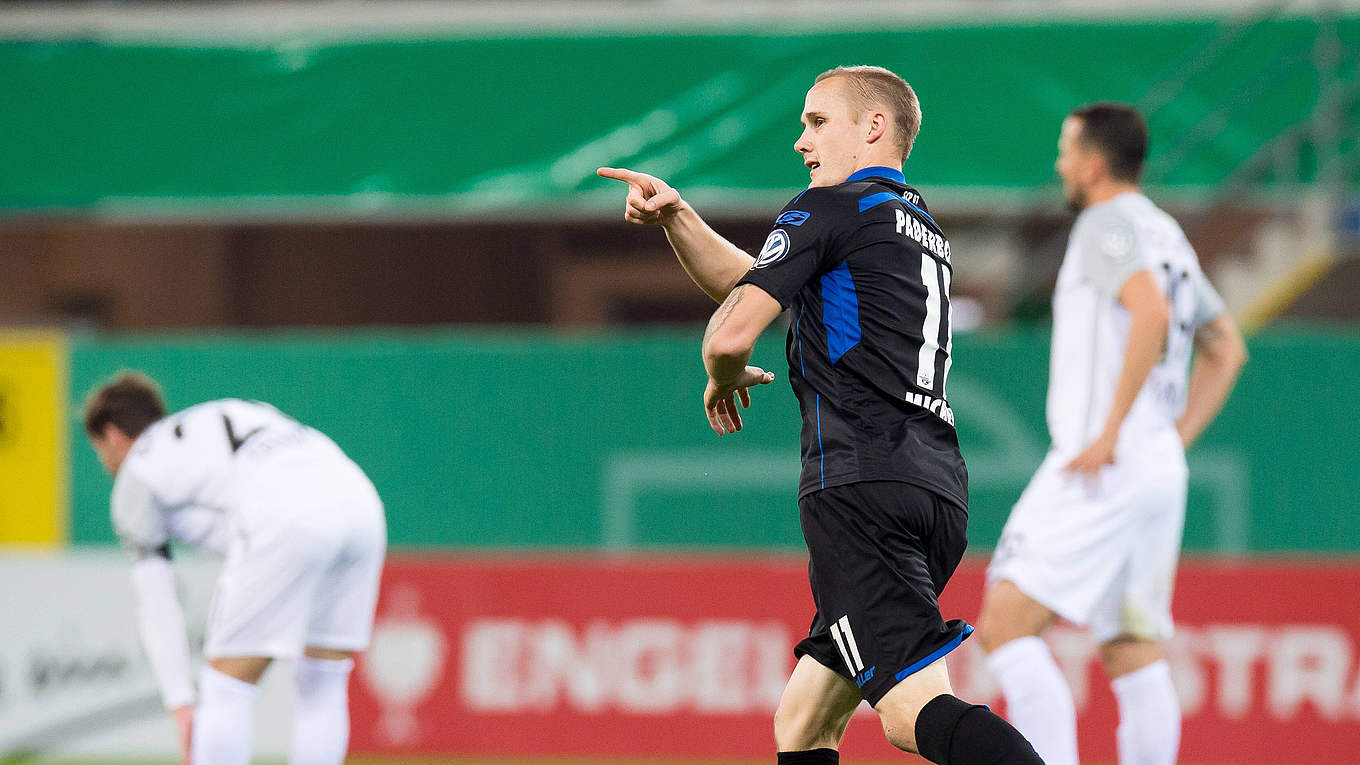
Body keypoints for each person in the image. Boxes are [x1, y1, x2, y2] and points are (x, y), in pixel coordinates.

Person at [599, 65, 1041, 765]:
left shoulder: (826, 209)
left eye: (817, 121)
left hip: (858, 489)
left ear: (874, 127)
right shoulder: (916, 227)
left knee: (910, 712)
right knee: (803, 721)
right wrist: (679, 217)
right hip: (933, 490)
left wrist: (722, 372)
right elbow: (762, 280)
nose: (801, 142)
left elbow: (731, 331)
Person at [975, 102, 1248, 765]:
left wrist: (1111, 432)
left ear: (1094, 163)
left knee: (1004, 623)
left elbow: (1148, 311)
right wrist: (1167, 439)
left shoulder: (1105, 223)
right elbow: (1227, 349)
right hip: (1150, 464)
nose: (1061, 164)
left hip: (1102, 461)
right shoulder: (1166, 235)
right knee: (1131, 645)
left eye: (1067, 151)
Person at [83, 372, 387, 765]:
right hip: (360, 503)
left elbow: (157, 601)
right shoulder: (225, 413)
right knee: (323, 682)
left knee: (225, 688)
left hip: (285, 513)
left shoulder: (135, 475)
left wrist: (181, 703)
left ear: (112, 436)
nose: (105, 463)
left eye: (99, 450)